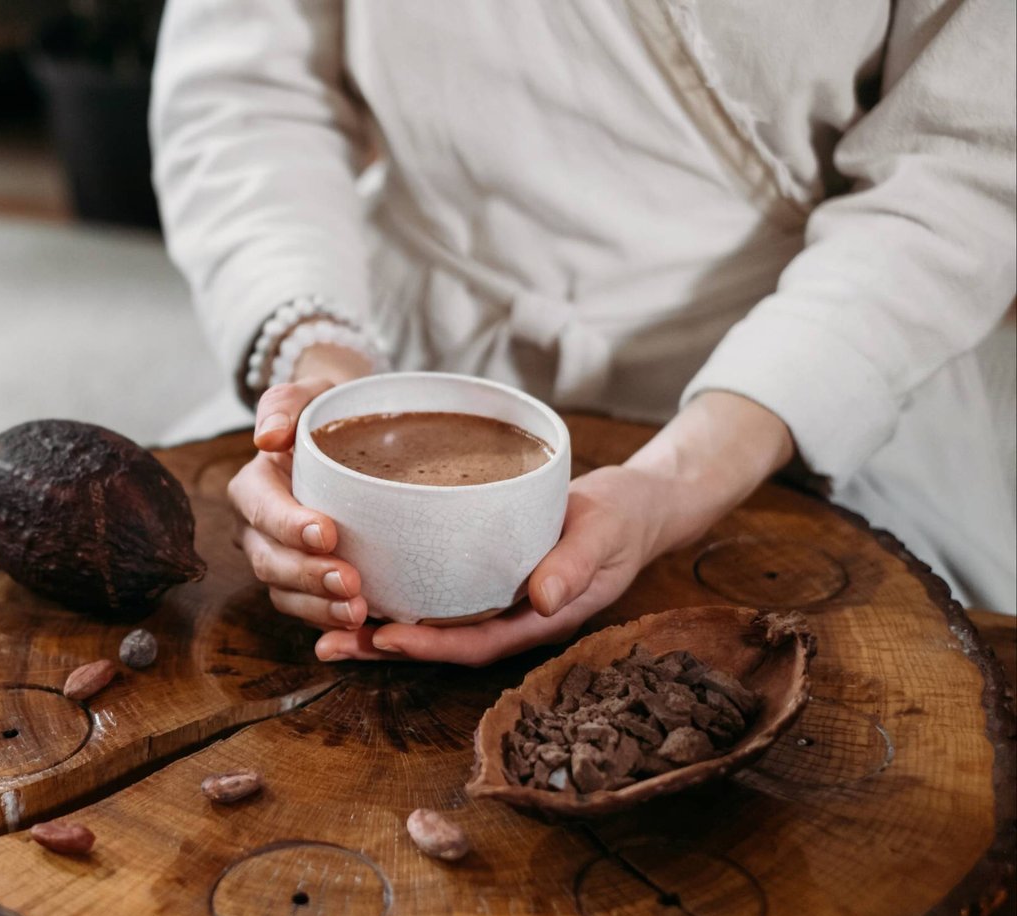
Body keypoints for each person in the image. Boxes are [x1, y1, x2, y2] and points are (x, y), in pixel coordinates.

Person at [150, 1, 1017, 665]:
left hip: (809, 364)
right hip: (407, 334)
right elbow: (249, 84)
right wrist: (322, 366)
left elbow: (964, 162)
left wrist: (677, 480)